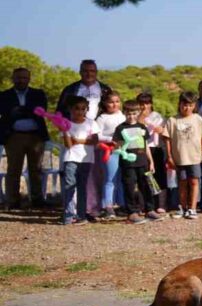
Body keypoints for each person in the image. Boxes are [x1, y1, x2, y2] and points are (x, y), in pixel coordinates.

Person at [0, 67, 49, 209]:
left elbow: (40, 111)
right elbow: (5, 112)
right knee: (14, 170)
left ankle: (37, 199)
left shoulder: (38, 94)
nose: (21, 80)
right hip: (14, 136)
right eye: (18, 78)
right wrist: (25, 111)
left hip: (35, 137)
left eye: (24, 78)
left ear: (29, 79)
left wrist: (18, 111)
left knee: (36, 169)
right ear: (13, 79)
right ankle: (13, 200)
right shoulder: (4, 95)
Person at [113, 100, 161, 224]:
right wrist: (122, 152)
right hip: (128, 164)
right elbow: (117, 146)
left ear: (138, 112)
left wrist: (151, 161)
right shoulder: (120, 128)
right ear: (124, 113)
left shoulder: (141, 127)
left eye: (134, 113)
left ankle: (149, 210)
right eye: (128, 113)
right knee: (129, 187)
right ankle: (132, 213)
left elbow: (146, 145)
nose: (131, 116)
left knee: (147, 186)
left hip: (143, 162)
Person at [164, 92, 202, 219]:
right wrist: (170, 156)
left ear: (194, 106)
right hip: (180, 158)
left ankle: (192, 208)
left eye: (190, 105)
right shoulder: (172, 120)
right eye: (184, 105)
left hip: (194, 157)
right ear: (179, 104)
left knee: (194, 182)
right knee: (182, 183)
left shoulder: (198, 119)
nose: (187, 108)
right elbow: (167, 139)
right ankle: (182, 207)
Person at [59, 96, 100, 225]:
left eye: (83, 109)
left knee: (82, 187)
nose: (80, 111)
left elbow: (94, 140)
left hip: (86, 159)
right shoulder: (67, 123)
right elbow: (68, 144)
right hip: (71, 157)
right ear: (70, 109)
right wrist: (65, 131)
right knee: (69, 185)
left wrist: (79, 141)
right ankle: (68, 215)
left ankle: (81, 215)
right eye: (77, 108)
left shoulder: (91, 123)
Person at [94, 92, 126, 218]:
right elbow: (97, 135)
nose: (115, 104)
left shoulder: (122, 115)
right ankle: (108, 206)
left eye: (117, 101)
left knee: (121, 179)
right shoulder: (102, 118)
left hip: (123, 150)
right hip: (110, 150)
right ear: (105, 103)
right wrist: (111, 139)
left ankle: (122, 204)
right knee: (110, 179)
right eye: (111, 102)